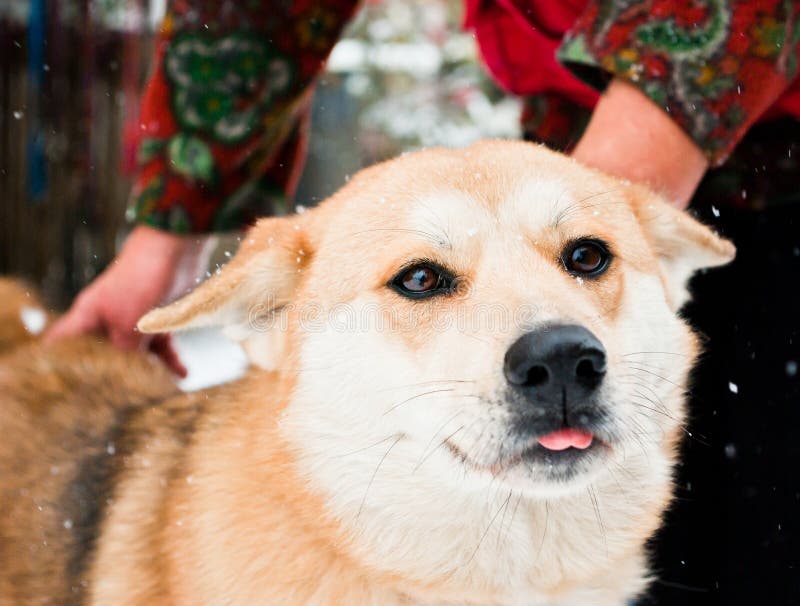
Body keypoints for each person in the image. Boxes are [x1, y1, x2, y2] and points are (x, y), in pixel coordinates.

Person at [46, 1, 800, 604]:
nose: (558, 342)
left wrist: (603, 204)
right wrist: (165, 233)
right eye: (423, 279)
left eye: (583, 261)